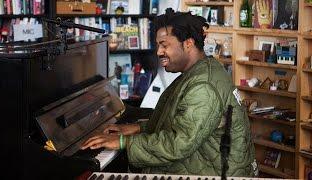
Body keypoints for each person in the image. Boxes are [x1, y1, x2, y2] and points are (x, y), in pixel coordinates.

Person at [81, 8, 257, 177]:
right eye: (158, 45)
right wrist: (138, 128)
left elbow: (178, 144)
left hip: (214, 174)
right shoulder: (200, 70)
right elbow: (180, 122)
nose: (158, 52)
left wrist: (122, 142)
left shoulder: (203, 86)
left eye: (164, 45)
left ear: (188, 43)